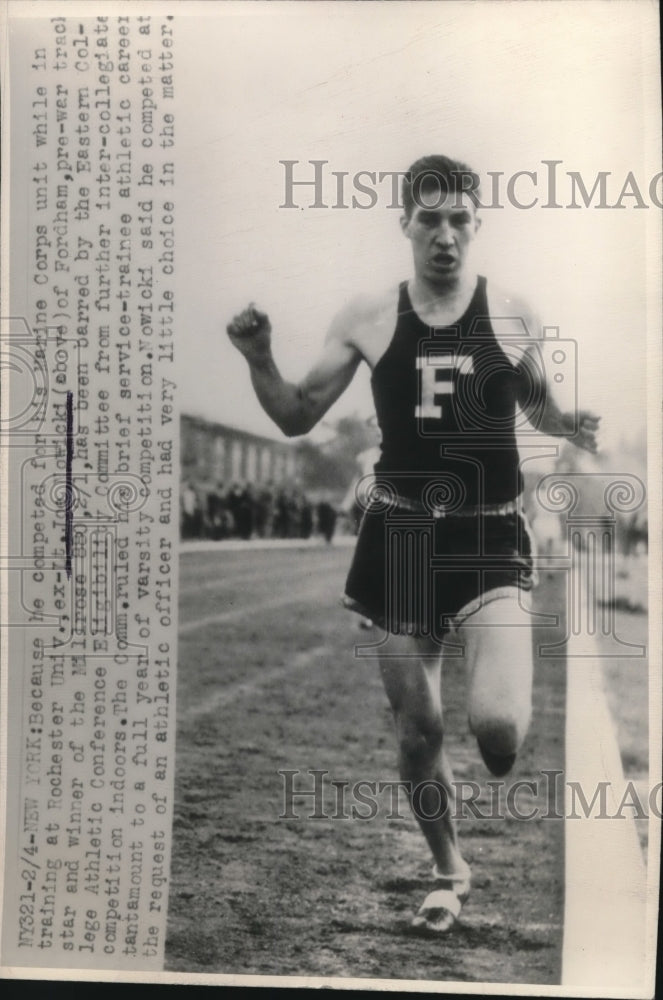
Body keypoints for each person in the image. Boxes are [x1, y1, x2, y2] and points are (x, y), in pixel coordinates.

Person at [226, 155, 600, 934]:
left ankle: (483, 746)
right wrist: (259, 357)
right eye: (428, 218)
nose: (444, 235)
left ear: (476, 225)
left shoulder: (511, 313)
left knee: (497, 736)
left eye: (458, 219)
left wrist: (569, 427)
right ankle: (447, 865)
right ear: (404, 223)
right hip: (397, 533)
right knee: (417, 727)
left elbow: (537, 404)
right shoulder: (369, 315)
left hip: (488, 532)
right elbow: (296, 415)